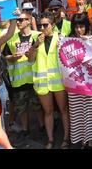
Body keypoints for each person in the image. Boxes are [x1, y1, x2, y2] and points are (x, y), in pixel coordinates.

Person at [27, 12, 69, 149]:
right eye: (40, 25)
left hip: (58, 81)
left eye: (46, 25)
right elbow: (30, 59)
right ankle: (50, 140)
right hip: (42, 82)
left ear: (53, 25)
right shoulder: (36, 39)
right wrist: (36, 45)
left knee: (63, 110)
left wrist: (62, 47)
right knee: (48, 112)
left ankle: (66, 139)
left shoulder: (60, 38)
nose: (42, 27)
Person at [3, 12, 44, 145]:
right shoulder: (11, 39)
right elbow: (5, 56)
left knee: (37, 106)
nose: (18, 22)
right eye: (16, 20)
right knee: (22, 108)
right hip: (19, 81)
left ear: (28, 21)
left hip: (35, 79)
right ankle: (25, 131)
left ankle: (42, 127)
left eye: (20, 20)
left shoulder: (37, 36)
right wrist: (13, 57)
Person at [68, 13, 92, 149]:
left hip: (91, 83)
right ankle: (82, 141)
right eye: (77, 27)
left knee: (91, 111)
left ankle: (90, 142)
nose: (79, 30)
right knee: (77, 111)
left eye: (82, 27)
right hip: (75, 83)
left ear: (86, 27)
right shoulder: (68, 42)